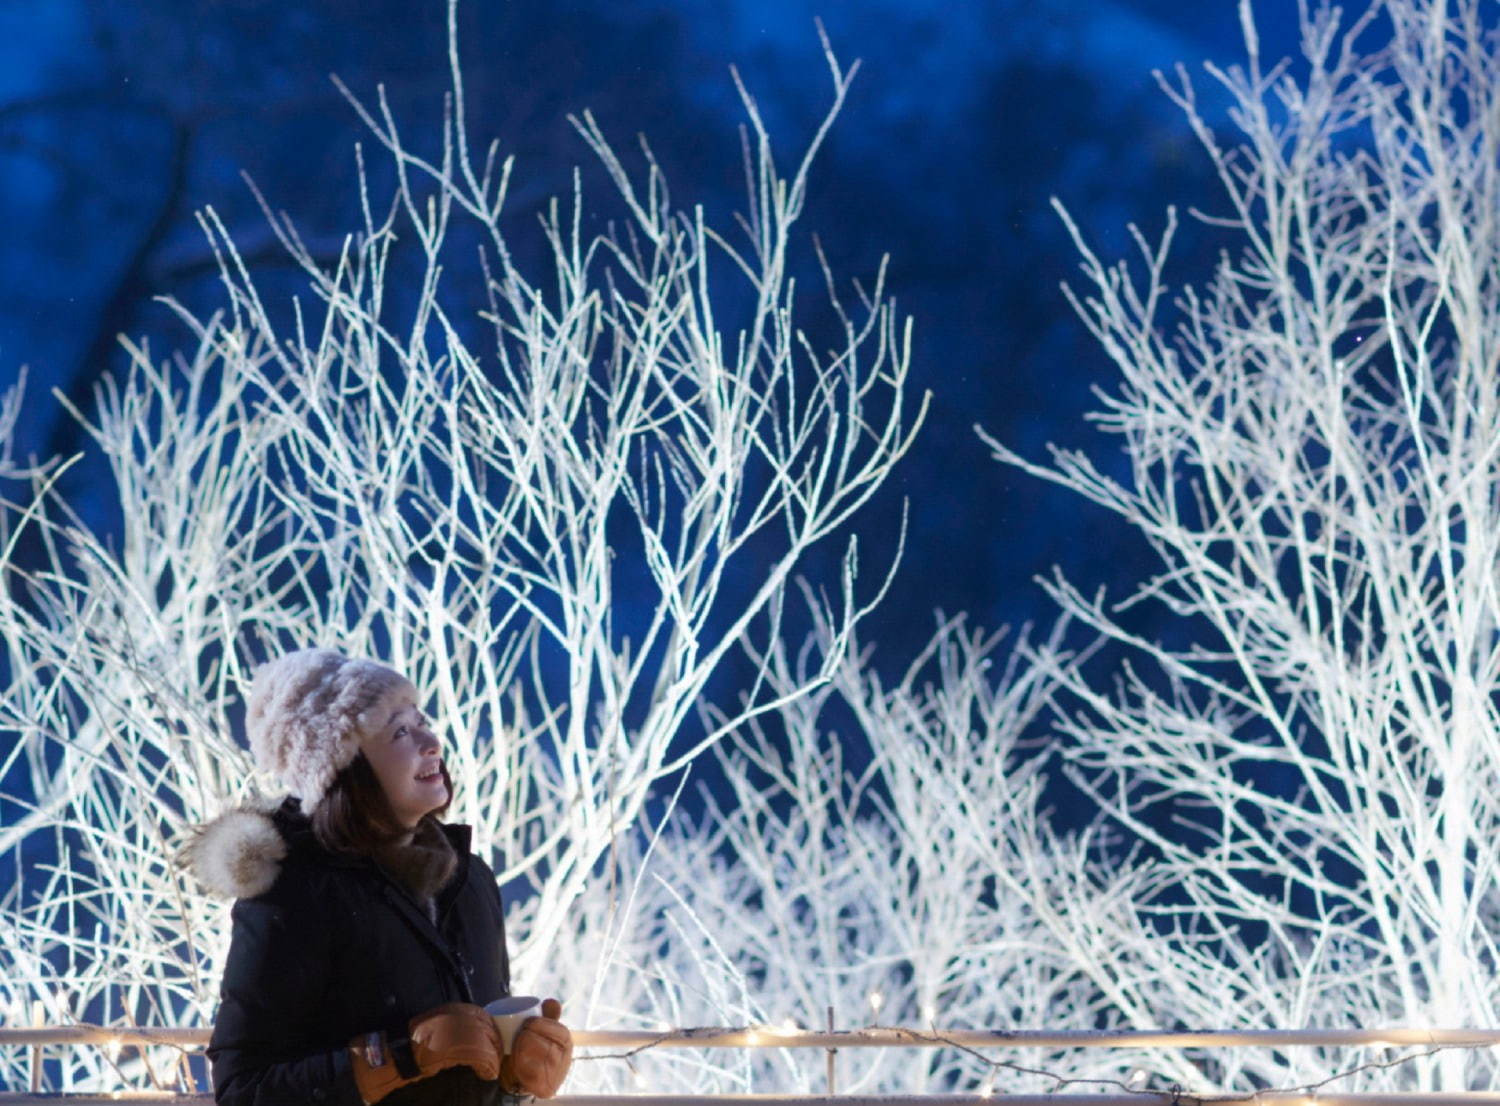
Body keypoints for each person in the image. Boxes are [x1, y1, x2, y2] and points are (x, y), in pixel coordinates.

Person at [187, 648, 573, 1106]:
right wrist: (398, 1059)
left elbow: (468, 1067)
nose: (430, 742)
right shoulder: (294, 893)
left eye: (421, 720)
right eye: (401, 733)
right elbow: (244, 1089)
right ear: (346, 769)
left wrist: (514, 1076)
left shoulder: (469, 880)